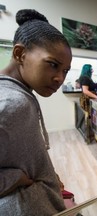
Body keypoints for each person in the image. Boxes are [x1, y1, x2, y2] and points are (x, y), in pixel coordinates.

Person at [0, 9, 72, 215]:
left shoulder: (19, 95)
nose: (59, 78)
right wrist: (14, 179)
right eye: (53, 65)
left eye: (65, 71)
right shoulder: (11, 104)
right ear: (19, 54)